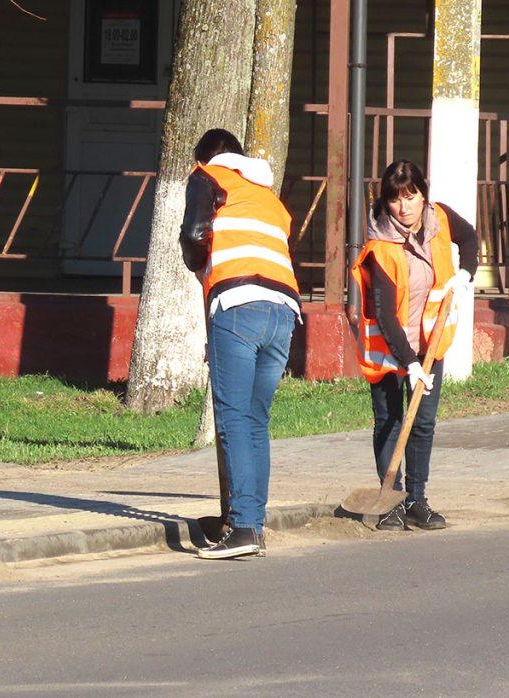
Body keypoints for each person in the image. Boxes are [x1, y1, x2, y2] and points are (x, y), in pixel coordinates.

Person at [179, 129, 301, 559]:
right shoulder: (268, 195)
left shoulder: (207, 176)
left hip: (237, 305)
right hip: (283, 311)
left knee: (232, 421)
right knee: (255, 422)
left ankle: (244, 527)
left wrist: (199, 268)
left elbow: (194, 234)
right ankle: (250, 521)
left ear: (206, 158)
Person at [351, 159, 478, 531]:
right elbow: (386, 315)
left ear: (424, 194)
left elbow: (470, 236)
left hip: (429, 341)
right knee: (390, 421)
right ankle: (391, 501)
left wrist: (466, 272)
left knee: (422, 422)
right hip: (389, 350)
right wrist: (409, 364)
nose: (404, 207)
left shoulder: (438, 219)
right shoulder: (380, 246)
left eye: (411, 196)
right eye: (395, 199)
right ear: (385, 202)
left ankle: (417, 500)